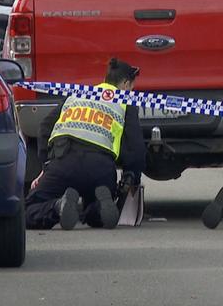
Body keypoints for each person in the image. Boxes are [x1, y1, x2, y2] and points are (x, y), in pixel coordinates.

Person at [25, 58, 146, 230]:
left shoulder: (78, 94)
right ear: (126, 84)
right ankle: (97, 208)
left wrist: (46, 165)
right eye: (132, 87)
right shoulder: (125, 102)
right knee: (99, 211)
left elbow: (45, 127)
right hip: (100, 169)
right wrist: (131, 177)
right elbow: (136, 149)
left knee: (27, 210)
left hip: (63, 163)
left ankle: (58, 206)